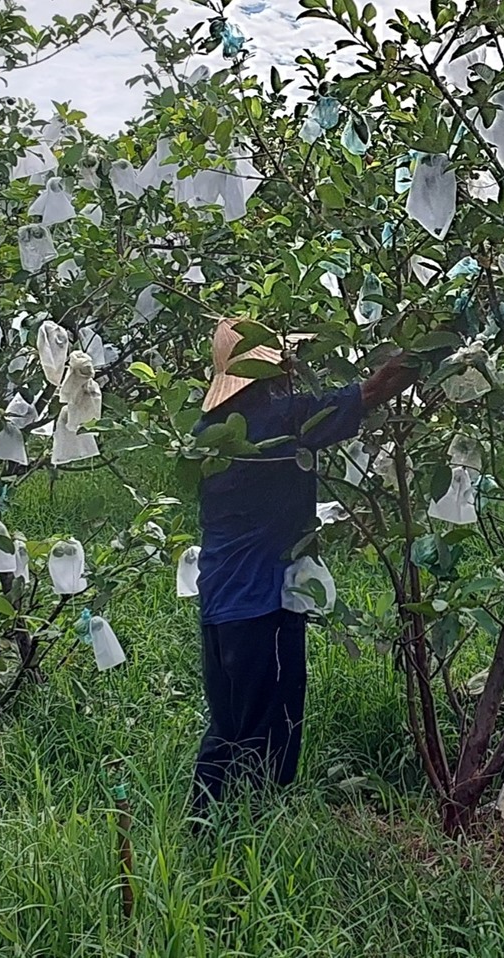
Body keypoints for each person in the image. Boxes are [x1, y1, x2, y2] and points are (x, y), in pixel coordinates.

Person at [189, 318, 416, 815]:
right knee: (273, 725)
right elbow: (376, 389)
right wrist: (436, 342)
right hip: (261, 601)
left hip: (220, 596)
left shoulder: (211, 430)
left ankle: (202, 827)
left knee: (229, 724)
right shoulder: (280, 423)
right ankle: (255, 827)